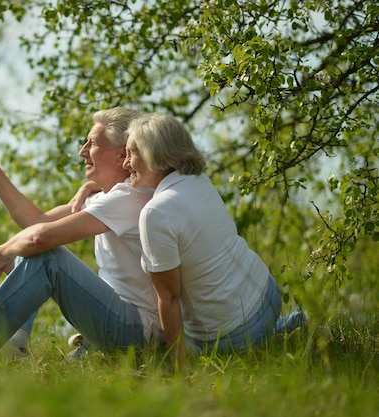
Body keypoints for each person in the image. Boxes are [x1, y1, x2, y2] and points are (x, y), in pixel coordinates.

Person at [0, 107, 160, 364]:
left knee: (46, 254)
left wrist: (3, 251)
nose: (82, 151)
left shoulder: (129, 198)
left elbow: (40, 237)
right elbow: (37, 222)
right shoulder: (106, 198)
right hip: (121, 321)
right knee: (37, 243)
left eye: (92, 143)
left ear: (122, 153)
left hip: (136, 333)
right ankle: (12, 346)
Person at [121, 112, 305, 367]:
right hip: (268, 294)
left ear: (155, 152)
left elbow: (169, 299)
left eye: (132, 153)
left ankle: (263, 337)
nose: (125, 163)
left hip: (235, 333)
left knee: (154, 343)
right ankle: (280, 327)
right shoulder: (198, 181)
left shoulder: (155, 213)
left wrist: (178, 371)